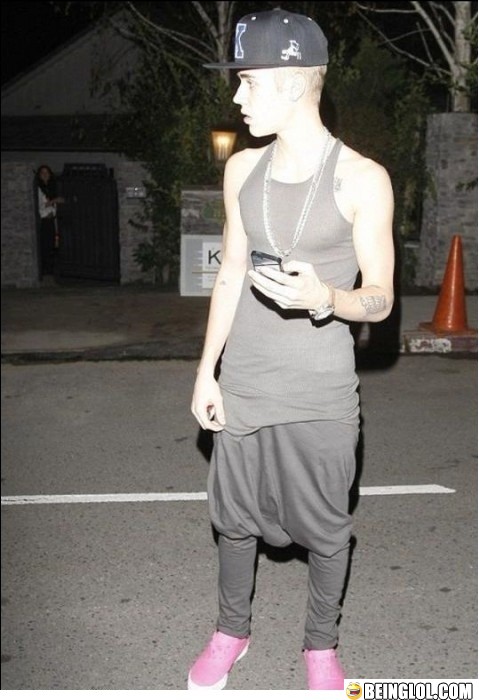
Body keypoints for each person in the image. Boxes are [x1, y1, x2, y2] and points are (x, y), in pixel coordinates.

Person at [189, 8, 395, 691]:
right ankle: (231, 631)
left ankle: (320, 647)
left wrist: (327, 298)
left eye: (248, 80)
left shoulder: (361, 178)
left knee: (327, 530)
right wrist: (206, 372)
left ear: (294, 81)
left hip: (319, 390)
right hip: (245, 379)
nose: (236, 96)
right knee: (233, 520)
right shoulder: (241, 169)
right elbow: (228, 272)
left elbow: (381, 299)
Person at [35, 164, 64, 278]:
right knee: (45, 245)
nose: (45, 175)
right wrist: (54, 201)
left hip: (52, 219)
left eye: (47, 172)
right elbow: (41, 205)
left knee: (52, 245)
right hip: (44, 220)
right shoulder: (38, 188)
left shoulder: (51, 187)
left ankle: (50, 269)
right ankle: (45, 270)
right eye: (42, 173)